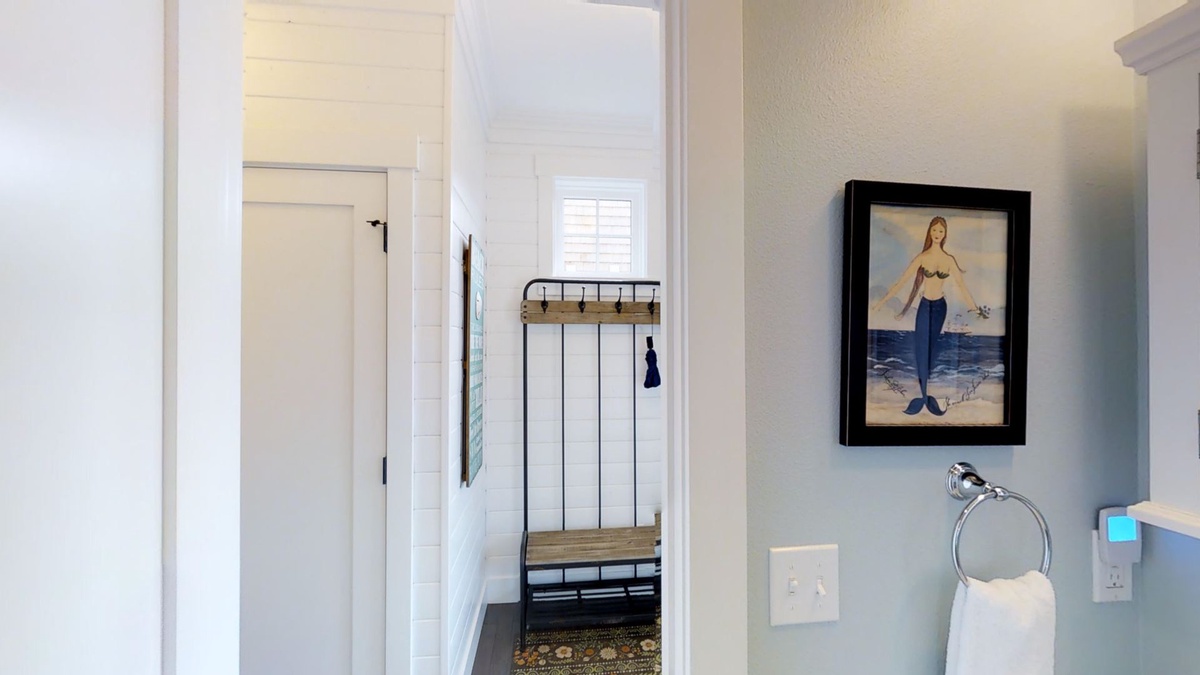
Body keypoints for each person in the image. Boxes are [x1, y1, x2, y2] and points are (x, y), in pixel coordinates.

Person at [870, 216, 982, 416]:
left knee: (931, 350)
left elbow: (962, 287)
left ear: (945, 234)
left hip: (940, 307)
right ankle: (921, 398)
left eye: (941, 231)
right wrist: (880, 302)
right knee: (920, 350)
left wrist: (976, 310)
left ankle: (927, 398)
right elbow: (900, 282)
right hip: (924, 306)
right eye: (934, 230)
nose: (937, 234)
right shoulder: (922, 258)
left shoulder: (949, 260)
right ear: (929, 232)